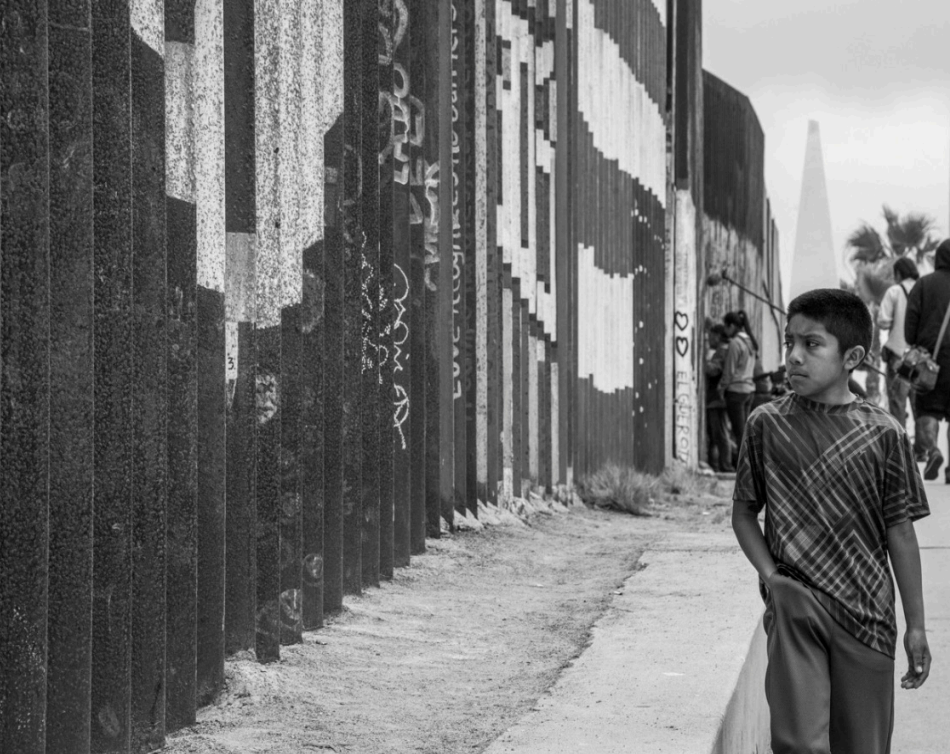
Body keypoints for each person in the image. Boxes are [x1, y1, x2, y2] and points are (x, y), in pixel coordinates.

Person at [732, 288, 931, 754]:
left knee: (863, 745)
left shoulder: (884, 434)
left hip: (868, 615)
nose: (794, 357)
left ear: (852, 357)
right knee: (798, 743)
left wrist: (916, 623)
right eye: (789, 343)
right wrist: (773, 579)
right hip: (795, 603)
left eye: (812, 344)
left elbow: (900, 532)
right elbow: (743, 513)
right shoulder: (766, 424)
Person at [905, 239, 950, 481]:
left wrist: (914, 341)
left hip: (930, 359)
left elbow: (910, 324)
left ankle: (933, 450)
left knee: (927, 409)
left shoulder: (923, 284)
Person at [878, 256, 920, 430]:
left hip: (898, 355)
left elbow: (883, 321)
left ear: (899, 273)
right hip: (920, 358)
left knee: (897, 405)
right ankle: (923, 449)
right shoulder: (923, 289)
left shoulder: (894, 291)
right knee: (919, 407)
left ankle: (901, 449)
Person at [721, 310, 758, 459]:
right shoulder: (751, 342)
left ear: (731, 326)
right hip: (749, 391)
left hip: (736, 391)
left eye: (725, 326)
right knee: (744, 433)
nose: (724, 330)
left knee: (739, 433)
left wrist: (721, 388)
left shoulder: (735, 343)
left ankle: (745, 469)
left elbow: (729, 371)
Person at [704, 324, 733, 472]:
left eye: (710, 337)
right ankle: (717, 465)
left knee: (720, 434)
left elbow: (713, 370)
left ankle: (725, 466)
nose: (709, 340)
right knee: (717, 434)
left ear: (717, 336)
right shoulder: (726, 349)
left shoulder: (722, 351)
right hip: (718, 398)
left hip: (717, 399)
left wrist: (702, 360)